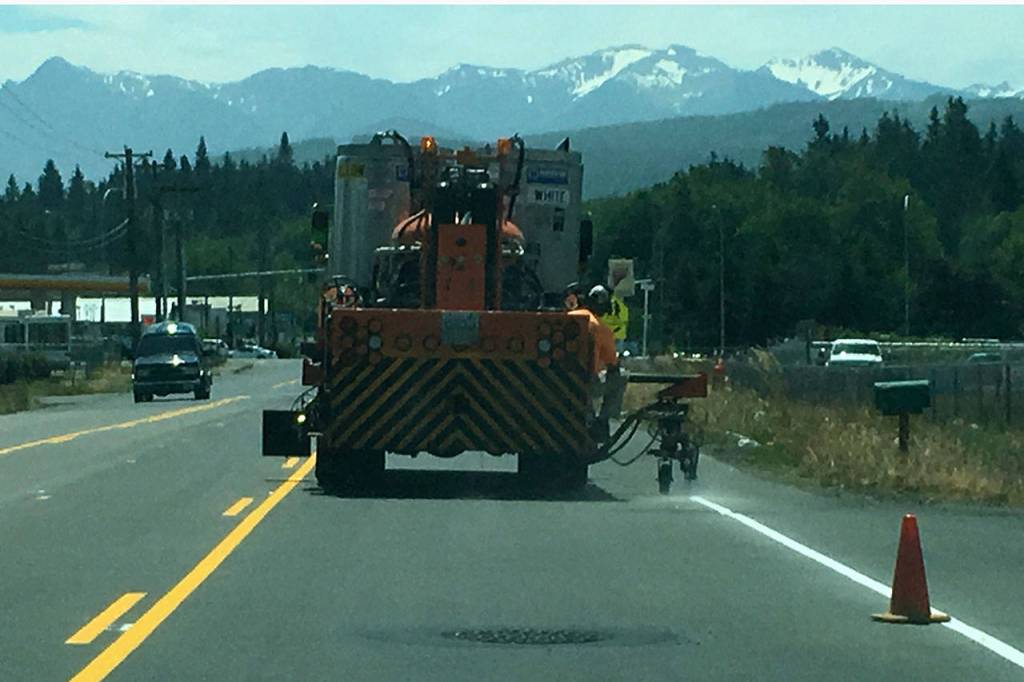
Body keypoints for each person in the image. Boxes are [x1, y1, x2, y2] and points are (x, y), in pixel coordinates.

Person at [568, 284, 624, 440]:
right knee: (621, 377)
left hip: (560, 377)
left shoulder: (567, 318)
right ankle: (603, 419)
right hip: (587, 381)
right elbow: (612, 364)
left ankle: (589, 413)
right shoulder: (602, 328)